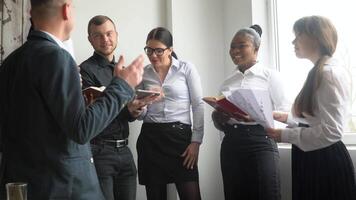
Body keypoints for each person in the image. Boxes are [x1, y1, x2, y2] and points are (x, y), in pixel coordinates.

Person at [0, 0, 145, 199]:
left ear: (30, 12)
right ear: (67, 10)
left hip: (26, 184)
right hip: (62, 186)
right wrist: (123, 86)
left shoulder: (10, 61)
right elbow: (81, 129)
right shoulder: (57, 57)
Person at [267, 16, 356, 200]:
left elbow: (332, 131)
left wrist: (285, 135)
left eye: (298, 35)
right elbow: (318, 119)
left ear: (316, 38)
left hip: (324, 162)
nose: (293, 41)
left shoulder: (329, 74)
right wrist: (288, 119)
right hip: (315, 158)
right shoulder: (319, 71)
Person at [79, 15, 156, 200]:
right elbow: (93, 114)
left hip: (125, 151)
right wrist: (126, 109)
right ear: (90, 39)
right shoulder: (84, 71)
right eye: (97, 35)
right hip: (99, 152)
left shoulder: (125, 70)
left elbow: (126, 114)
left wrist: (135, 110)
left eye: (109, 33)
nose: (105, 39)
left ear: (116, 35)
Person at [211, 24, 289, 200]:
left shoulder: (270, 76)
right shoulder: (227, 82)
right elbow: (219, 122)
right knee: (234, 194)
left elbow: (285, 112)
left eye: (241, 45)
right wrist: (218, 117)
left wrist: (256, 114)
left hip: (261, 141)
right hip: (231, 143)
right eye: (232, 46)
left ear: (256, 48)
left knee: (267, 193)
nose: (235, 50)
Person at [136, 27, 204, 200]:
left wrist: (196, 141)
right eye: (149, 50)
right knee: (155, 196)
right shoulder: (143, 73)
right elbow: (141, 114)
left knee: (191, 194)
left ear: (170, 50)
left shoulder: (185, 68)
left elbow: (198, 105)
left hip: (180, 139)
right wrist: (141, 105)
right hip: (150, 138)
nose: (153, 55)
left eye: (159, 50)